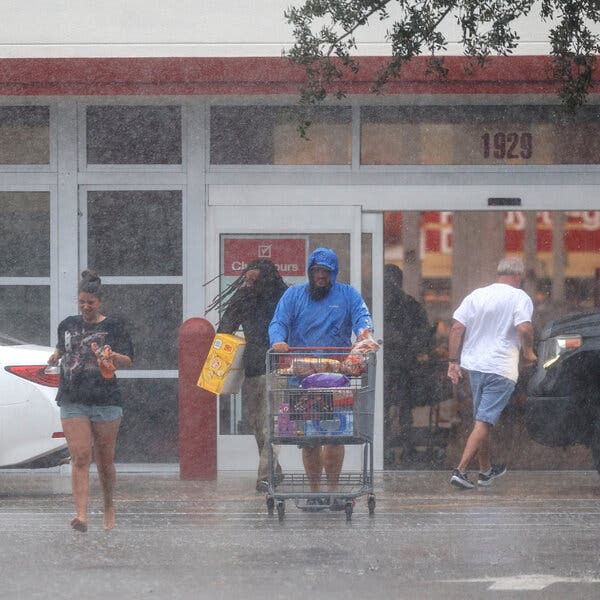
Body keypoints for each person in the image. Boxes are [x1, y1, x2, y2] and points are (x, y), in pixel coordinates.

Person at [269, 247, 373, 510]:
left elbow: (363, 319)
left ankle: (333, 491)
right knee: (309, 440)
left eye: (326, 272)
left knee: (335, 435)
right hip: (300, 378)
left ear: (333, 273)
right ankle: (315, 491)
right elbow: (278, 321)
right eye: (316, 271)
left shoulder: (348, 295)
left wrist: (364, 335)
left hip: (335, 378)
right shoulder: (294, 295)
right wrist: (278, 341)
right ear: (310, 272)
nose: (321, 277)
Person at [47, 270, 133, 531]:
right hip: (73, 399)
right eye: (82, 302)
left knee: (105, 461)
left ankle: (108, 507)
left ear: (100, 302)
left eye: (90, 303)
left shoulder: (114, 326)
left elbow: (128, 361)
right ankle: (81, 515)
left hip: (106, 400)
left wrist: (112, 356)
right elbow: (63, 350)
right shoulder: (67, 325)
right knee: (81, 457)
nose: (85, 307)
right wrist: (55, 355)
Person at [447, 257, 536, 489]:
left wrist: (453, 361)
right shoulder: (519, 297)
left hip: (474, 366)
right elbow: (525, 328)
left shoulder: (476, 295)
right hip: (501, 367)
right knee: (485, 421)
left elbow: (456, 327)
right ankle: (461, 470)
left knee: (481, 420)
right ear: (518, 276)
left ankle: (485, 471)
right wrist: (529, 352)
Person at [214, 259, 289, 492]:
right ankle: (272, 470)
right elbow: (225, 328)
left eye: (251, 280)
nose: (248, 284)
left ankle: (265, 476)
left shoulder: (275, 297)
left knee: (265, 425)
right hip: (265, 368)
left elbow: (224, 328)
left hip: (269, 369)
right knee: (263, 425)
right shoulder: (283, 297)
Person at [383, 264, 432, 465]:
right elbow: (424, 335)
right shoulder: (409, 304)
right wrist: (412, 351)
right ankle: (404, 449)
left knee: (387, 410)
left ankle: (386, 450)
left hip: (391, 365)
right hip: (402, 365)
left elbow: (422, 334)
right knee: (402, 410)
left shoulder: (379, 304)